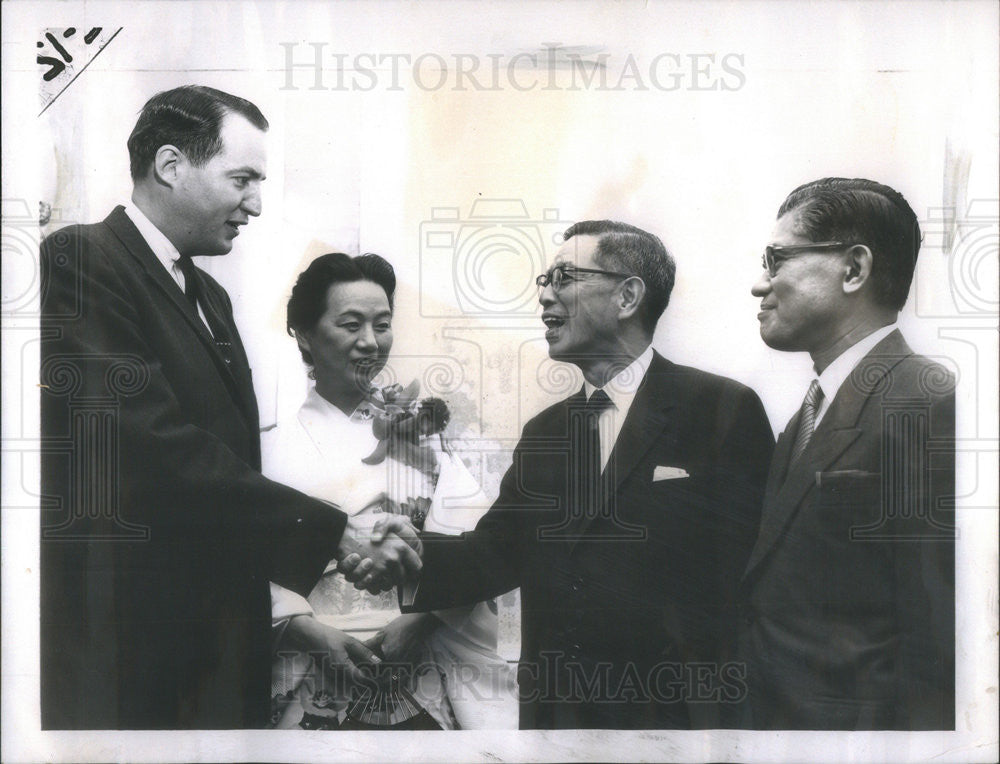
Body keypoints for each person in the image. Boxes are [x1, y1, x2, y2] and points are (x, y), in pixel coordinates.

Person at [39, 85, 420, 729]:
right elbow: (150, 444)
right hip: (136, 648)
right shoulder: (80, 260)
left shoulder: (209, 295)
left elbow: (224, 458)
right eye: (242, 178)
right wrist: (335, 531)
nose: (256, 203)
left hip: (217, 649)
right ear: (170, 166)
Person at [353, 220, 775, 729]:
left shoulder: (722, 410)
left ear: (628, 296)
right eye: (545, 281)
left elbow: (756, 585)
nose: (545, 298)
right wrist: (410, 552)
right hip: (558, 721)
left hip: (678, 723)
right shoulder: (545, 432)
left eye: (565, 278)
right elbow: (496, 553)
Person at [265, 252, 517, 730]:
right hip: (308, 659)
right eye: (350, 324)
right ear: (304, 333)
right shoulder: (269, 445)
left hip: (420, 653)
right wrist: (305, 629)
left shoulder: (425, 437)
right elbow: (239, 556)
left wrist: (424, 619)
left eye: (382, 325)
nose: (369, 342)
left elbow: (480, 549)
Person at [738, 177, 955, 729]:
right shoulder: (804, 419)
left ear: (853, 269)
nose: (759, 285)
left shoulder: (927, 406)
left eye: (776, 259)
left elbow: (938, 645)